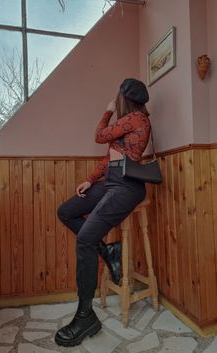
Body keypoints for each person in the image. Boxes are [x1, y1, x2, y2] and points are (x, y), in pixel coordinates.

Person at [55, 78, 151, 347]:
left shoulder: (135, 117)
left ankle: (85, 316)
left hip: (127, 187)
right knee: (66, 211)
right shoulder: (130, 124)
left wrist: (107, 110)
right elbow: (112, 155)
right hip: (111, 182)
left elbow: (99, 136)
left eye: (116, 96)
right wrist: (91, 179)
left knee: (85, 239)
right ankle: (109, 251)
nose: (114, 99)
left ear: (124, 98)